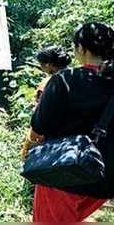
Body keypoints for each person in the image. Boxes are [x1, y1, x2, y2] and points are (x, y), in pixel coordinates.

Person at [29, 22, 114, 222]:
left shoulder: (65, 80)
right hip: (104, 178)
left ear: (81, 49)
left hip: (63, 171)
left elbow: (40, 126)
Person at [21, 46, 71, 160]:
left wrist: (33, 137)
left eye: (41, 64)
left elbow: (42, 114)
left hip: (48, 136)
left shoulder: (50, 82)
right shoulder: (79, 77)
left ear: (48, 64)